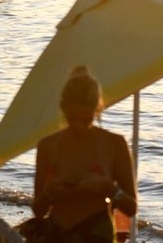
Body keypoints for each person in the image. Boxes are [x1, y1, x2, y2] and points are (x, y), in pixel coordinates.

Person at [31, 66, 137, 243]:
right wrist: (49, 193)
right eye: (73, 120)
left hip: (96, 232)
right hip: (57, 233)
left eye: (86, 120)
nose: (79, 126)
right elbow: (38, 210)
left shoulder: (114, 144)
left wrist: (110, 190)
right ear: (63, 109)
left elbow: (131, 207)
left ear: (97, 109)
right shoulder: (48, 145)